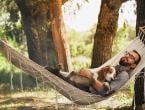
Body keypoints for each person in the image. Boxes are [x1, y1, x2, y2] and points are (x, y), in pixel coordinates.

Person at [45, 50, 141, 96]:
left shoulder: (124, 75)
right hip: (85, 84)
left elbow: (106, 91)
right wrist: (87, 72)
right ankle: (58, 74)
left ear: (133, 66)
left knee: (71, 77)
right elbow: (98, 73)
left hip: (90, 91)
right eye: (128, 54)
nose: (128, 56)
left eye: (132, 58)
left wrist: (90, 76)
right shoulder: (114, 67)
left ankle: (58, 74)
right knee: (76, 73)